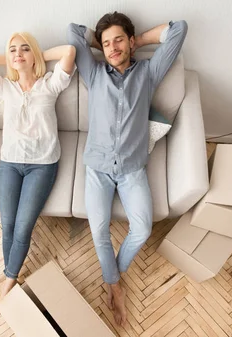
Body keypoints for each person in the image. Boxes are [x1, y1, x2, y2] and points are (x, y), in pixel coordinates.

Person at [67, 12, 187, 326]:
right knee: (99, 231)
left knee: (143, 229)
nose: (112, 47)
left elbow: (179, 29)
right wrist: (104, 46)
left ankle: (113, 274)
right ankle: (116, 287)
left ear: (131, 41)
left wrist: (136, 43)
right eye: (106, 43)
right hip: (98, 167)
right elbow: (73, 30)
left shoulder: (149, 73)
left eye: (119, 39)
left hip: (133, 169)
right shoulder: (94, 73)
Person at [0, 33, 76, 300]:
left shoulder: (50, 84)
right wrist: (11, 59)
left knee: (23, 227)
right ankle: (11, 274)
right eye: (13, 50)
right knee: (8, 224)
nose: (18, 53)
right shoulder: (3, 86)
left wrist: (36, 54)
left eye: (24, 49)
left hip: (42, 165)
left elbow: (69, 50)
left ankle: (9, 279)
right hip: (9, 164)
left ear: (34, 54)